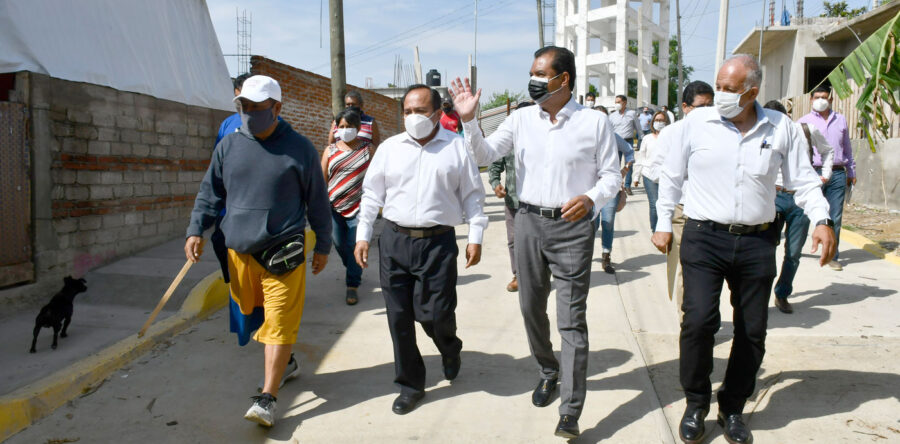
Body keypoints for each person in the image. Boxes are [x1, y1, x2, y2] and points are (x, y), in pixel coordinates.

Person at [652, 55, 835, 444]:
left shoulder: (781, 127)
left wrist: (822, 219)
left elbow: (803, 181)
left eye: (729, 89)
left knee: (752, 330)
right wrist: (662, 222)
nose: (720, 95)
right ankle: (696, 402)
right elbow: (670, 176)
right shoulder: (695, 124)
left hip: (757, 241)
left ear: (753, 92)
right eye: (718, 85)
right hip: (704, 237)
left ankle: (732, 406)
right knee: (699, 320)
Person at [450, 45, 621, 439]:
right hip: (527, 221)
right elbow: (485, 153)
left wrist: (592, 198)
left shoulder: (594, 123)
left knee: (571, 320)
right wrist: (470, 121)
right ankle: (548, 370)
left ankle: (571, 409)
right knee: (529, 307)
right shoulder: (522, 119)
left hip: (573, 228)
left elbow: (612, 176)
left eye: (540, 73)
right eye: (532, 72)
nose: (533, 80)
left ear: (563, 79)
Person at [185, 75, 333, 427]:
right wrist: (196, 229)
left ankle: (267, 398)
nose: (249, 114)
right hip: (240, 252)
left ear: (277, 108)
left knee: (280, 323)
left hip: (283, 251)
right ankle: (288, 363)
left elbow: (317, 202)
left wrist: (324, 245)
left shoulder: (300, 149)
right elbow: (211, 192)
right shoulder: (229, 146)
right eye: (243, 107)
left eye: (256, 108)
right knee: (258, 318)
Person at [353, 84, 487, 416]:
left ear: (438, 113)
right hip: (395, 240)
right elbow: (372, 195)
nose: (414, 117)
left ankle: (449, 347)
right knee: (399, 317)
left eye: (421, 110)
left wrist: (476, 235)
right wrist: (363, 234)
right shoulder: (389, 148)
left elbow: (473, 194)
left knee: (435, 313)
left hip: (438, 243)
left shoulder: (456, 148)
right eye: (408, 111)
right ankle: (410, 385)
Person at [763, 100, 835, 314]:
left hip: (800, 199)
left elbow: (828, 151)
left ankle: (782, 293)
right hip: (774, 197)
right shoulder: (763, 134)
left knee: (793, 252)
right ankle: (760, 295)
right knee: (766, 249)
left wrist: (825, 176)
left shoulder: (805, 130)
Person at [649, 80, 714, 308]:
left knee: (710, 274)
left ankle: (704, 319)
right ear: (686, 107)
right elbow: (655, 170)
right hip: (683, 211)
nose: (707, 112)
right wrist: (682, 173)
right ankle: (688, 323)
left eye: (711, 106)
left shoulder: (720, 133)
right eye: (701, 106)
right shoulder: (672, 133)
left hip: (713, 213)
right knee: (686, 271)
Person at [320, 108, 376, 306]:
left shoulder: (367, 150)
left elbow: (377, 179)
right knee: (339, 243)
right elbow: (322, 179)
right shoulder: (330, 150)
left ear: (358, 128)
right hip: (334, 206)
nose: (345, 130)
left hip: (360, 207)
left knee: (354, 244)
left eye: (349, 126)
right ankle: (354, 266)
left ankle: (352, 284)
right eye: (341, 126)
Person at [797, 85, 855, 270]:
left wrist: (851, 171)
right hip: (812, 171)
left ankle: (832, 256)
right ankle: (795, 249)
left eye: (824, 96)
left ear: (830, 99)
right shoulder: (803, 122)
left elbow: (847, 148)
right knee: (804, 214)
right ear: (811, 100)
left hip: (837, 172)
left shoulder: (841, 120)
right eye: (817, 97)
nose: (821, 100)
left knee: (835, 216)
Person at [487, 102, 535, 293]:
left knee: (536, 242)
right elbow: (495, 165)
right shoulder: (508, 141)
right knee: (514, 240)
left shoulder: (544, 140)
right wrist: (495, 183)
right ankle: (518, 275)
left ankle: (537, 275)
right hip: (513, 201)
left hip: (539, 204)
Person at [593, 105, 635, 273]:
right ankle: (584, 251)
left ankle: (606, 255)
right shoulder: (585, 137)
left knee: (608, 221)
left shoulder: (613, 137)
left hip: (611, 187)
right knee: (592, 224)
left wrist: (625, 169)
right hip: (590, 188)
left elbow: (629, 151)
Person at [633, 110, 670, 232]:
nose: (659, 123)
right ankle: (655, 230)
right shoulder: (647, 138)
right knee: (654, 204)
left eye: (662, 120)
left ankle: (665, 229)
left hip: (666, 176)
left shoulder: (671, 137)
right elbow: (641, 158)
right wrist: (636, 177)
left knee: (664, 205)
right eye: (657, 120)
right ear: (653, 122)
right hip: (649, 175)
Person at [609, 94, 642, 195]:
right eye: (616, 102)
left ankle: (627, 186)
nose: (617, 104)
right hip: (616, 142)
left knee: (629, 164)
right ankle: (617, 185)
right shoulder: (612, 116)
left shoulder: (632, 113)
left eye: (619, 102)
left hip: (628, 141)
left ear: (625, 102)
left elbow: (638, 127)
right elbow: (609, 130)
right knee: (615, 164)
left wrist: (642, 138)